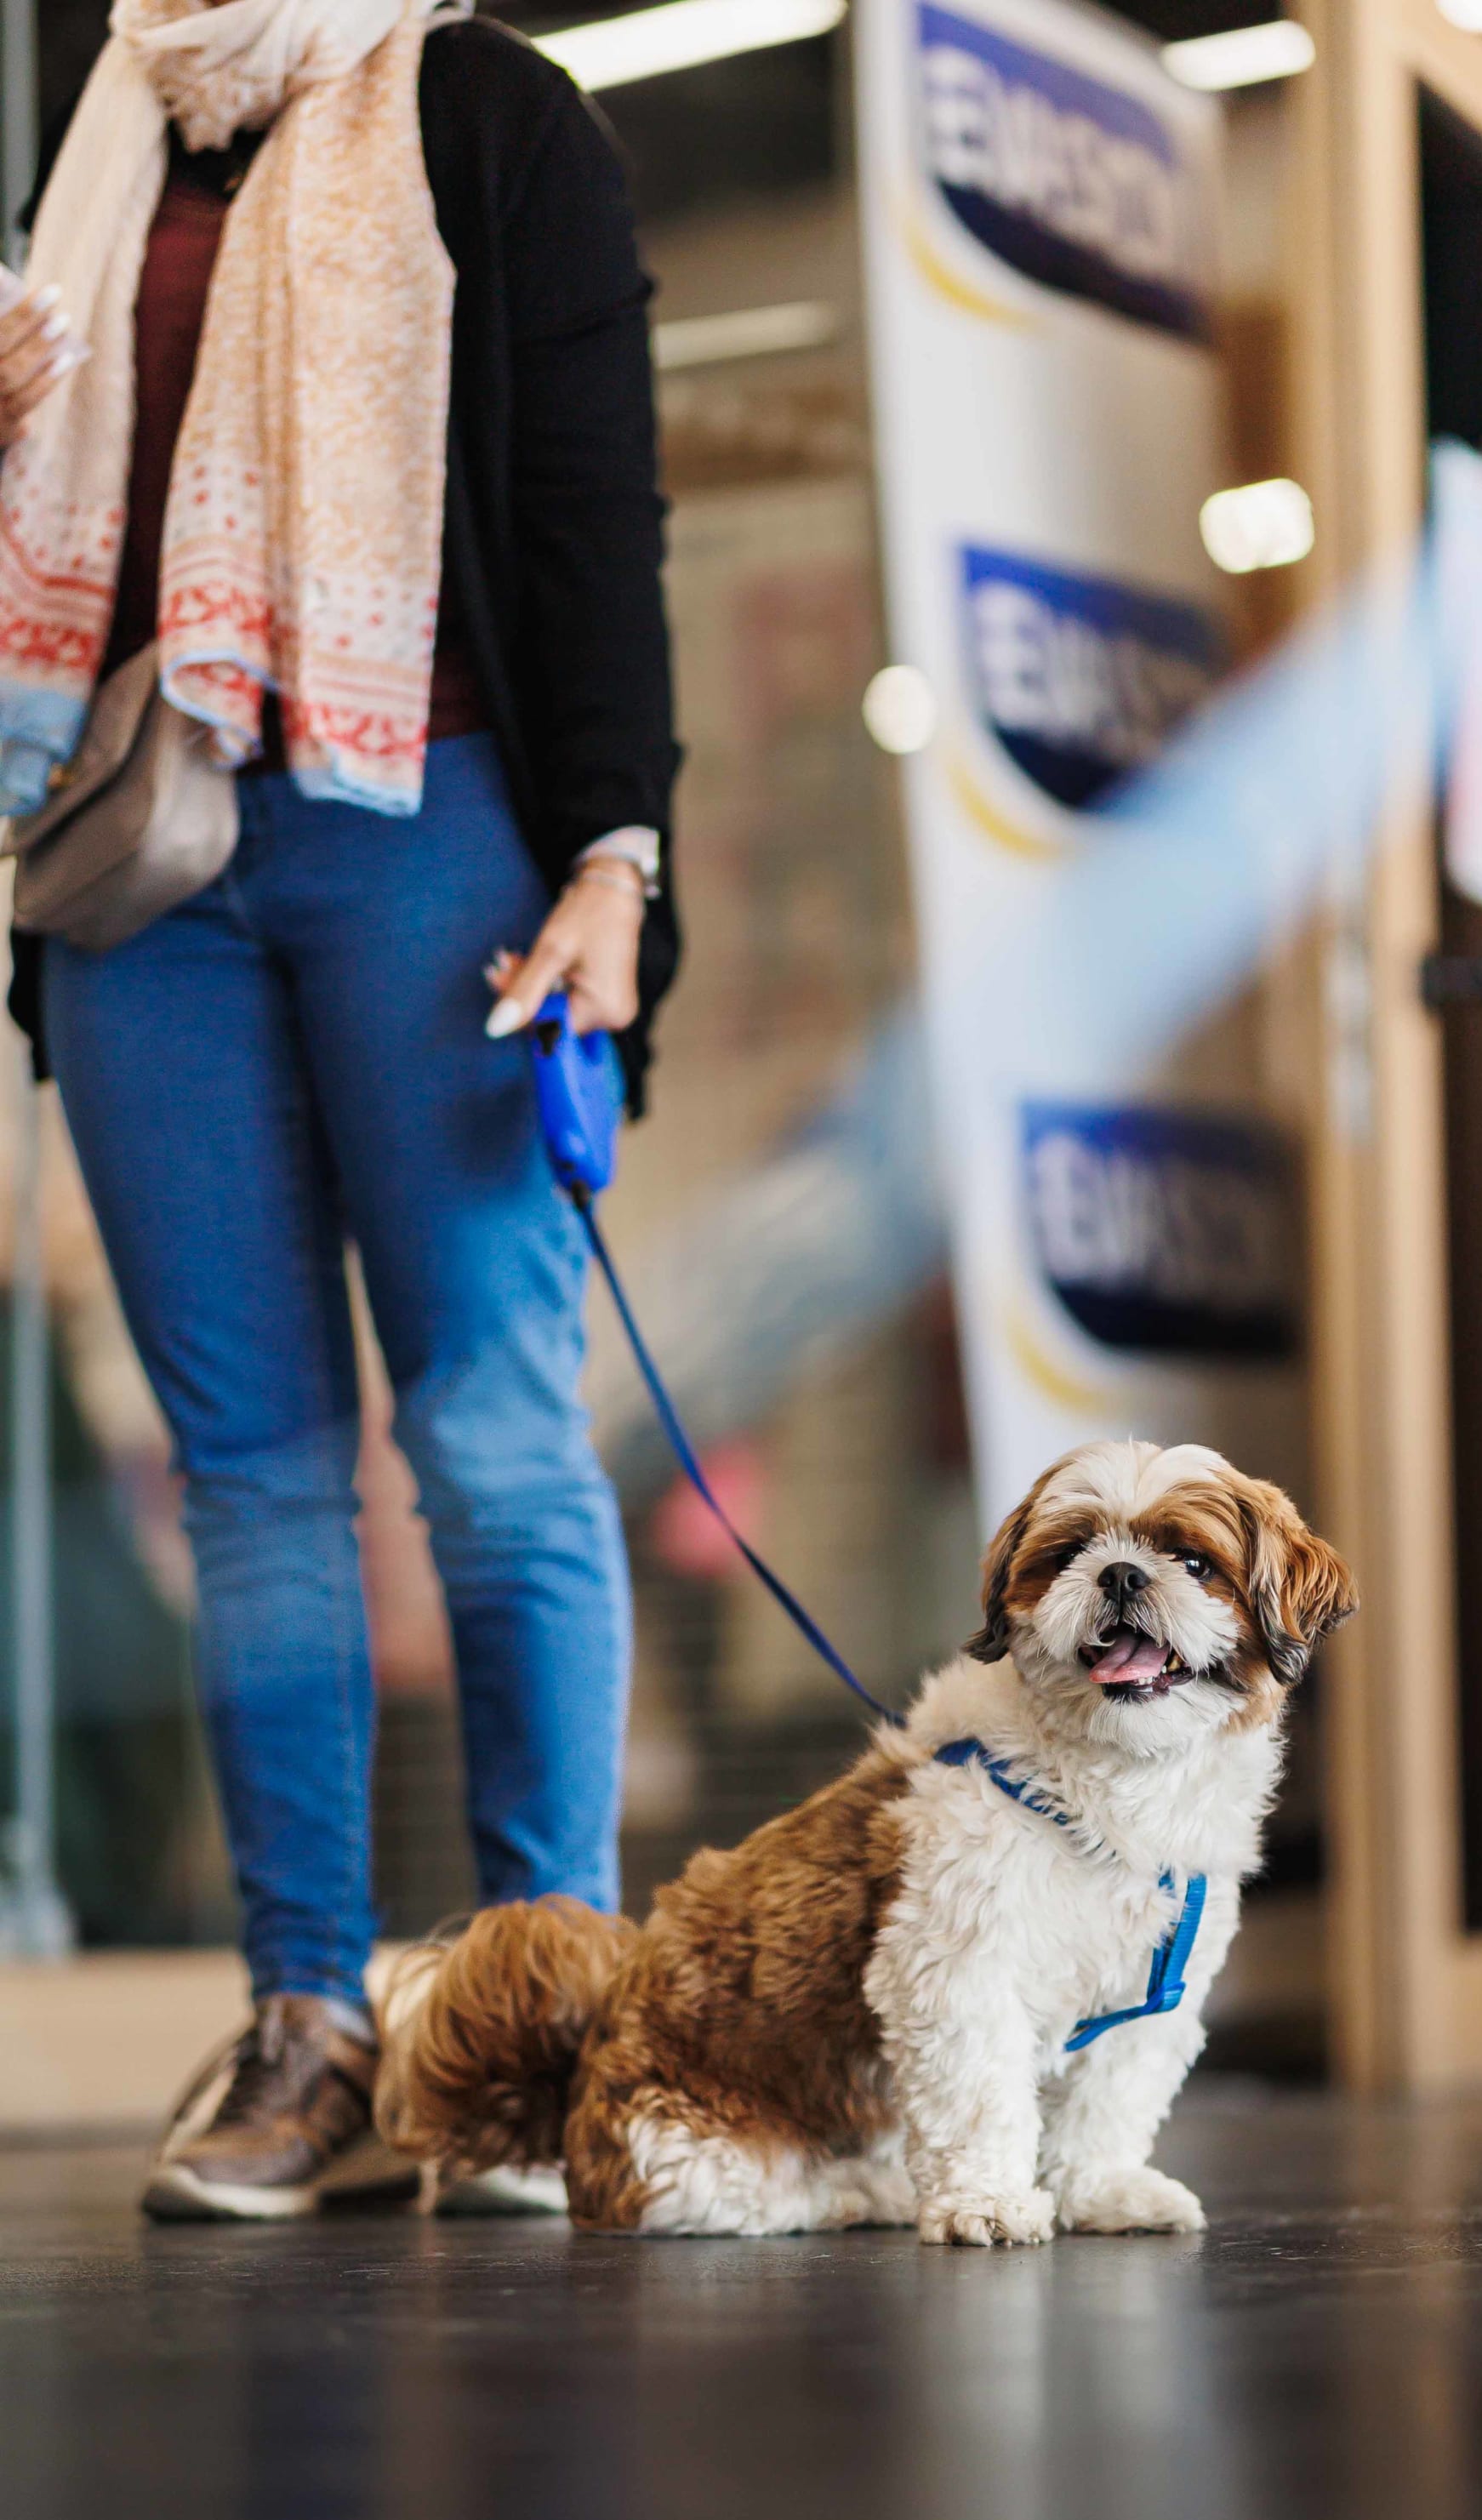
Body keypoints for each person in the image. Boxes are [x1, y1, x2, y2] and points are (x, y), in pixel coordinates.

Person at [0, 0, 679, 2220]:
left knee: (489, 1436)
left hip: (435, 823)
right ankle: (309, 2026)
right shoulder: (98, 138)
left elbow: (591, 511)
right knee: (251, 1480)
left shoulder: (483, 114)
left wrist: (615, 861)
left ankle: (543, 2022)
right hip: (143, 854)